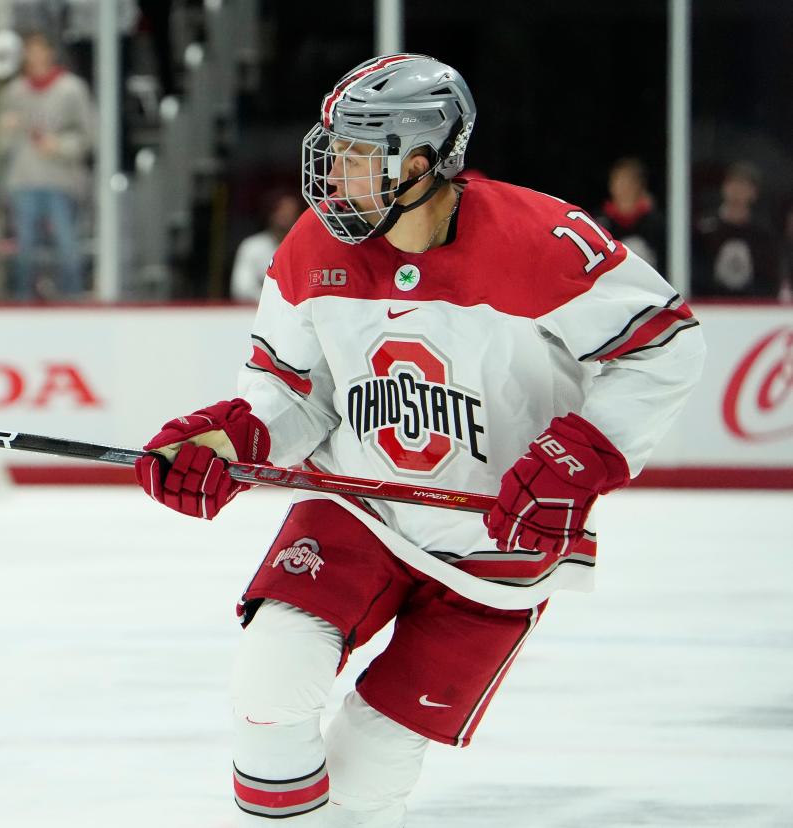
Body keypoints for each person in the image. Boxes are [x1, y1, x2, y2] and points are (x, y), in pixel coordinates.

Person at [134, 54, 706, 826]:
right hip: (360, 511)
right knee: (270, 680)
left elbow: (663, 346)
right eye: (334, 150)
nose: (336, 172)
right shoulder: (313, 247)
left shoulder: (544, 239)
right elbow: (293, 394)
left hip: (496, 550)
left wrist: (579, 457)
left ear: (425, 161)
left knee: (368, 776)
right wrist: (233, 442)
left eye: (360, 155)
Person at [0, 30, 94, 299]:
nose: (35, 56)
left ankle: (71, 302)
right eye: (30, 50)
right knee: (25, 248)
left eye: (40, 49)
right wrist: (5, 131)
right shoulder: (14, 92)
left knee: (67, 247)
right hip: (23, 180)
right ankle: (22, 303)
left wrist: (60, 146)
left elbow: (89, 136)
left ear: (51, 52)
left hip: (60, 180)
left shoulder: (71, 89)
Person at [692, 161, 782, 299]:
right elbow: (695, 270)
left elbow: (769, 278)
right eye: (733, 184)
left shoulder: (762, 234)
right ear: (724, 187)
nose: (737, 191)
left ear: (754, 193)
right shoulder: (705, 229)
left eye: (744, 186)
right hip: (711, 305)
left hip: (751, 307)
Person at [597, 156, 665, 270]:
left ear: (640, 186)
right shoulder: (599, 224)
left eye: (628, 182)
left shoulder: (657, 224)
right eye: (618, 182)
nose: (623, 188)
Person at [231, 192, 301, 301]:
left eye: (290, 212)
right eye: (281, 210)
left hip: (295, 313)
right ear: (271, 213)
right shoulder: (252, 246)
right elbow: (242, 288)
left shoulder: (304, 249)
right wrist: (273, 301)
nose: (285, 216)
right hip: (255, 310)